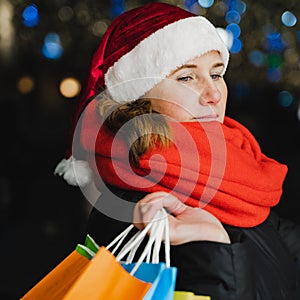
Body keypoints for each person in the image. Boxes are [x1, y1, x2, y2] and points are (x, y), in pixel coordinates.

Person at [54, 2, 300, 299]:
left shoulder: (240, 171)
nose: (213, 94)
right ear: (138, 97)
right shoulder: (136, 206)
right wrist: (213, 247)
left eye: (216, 74)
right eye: (186, 77)